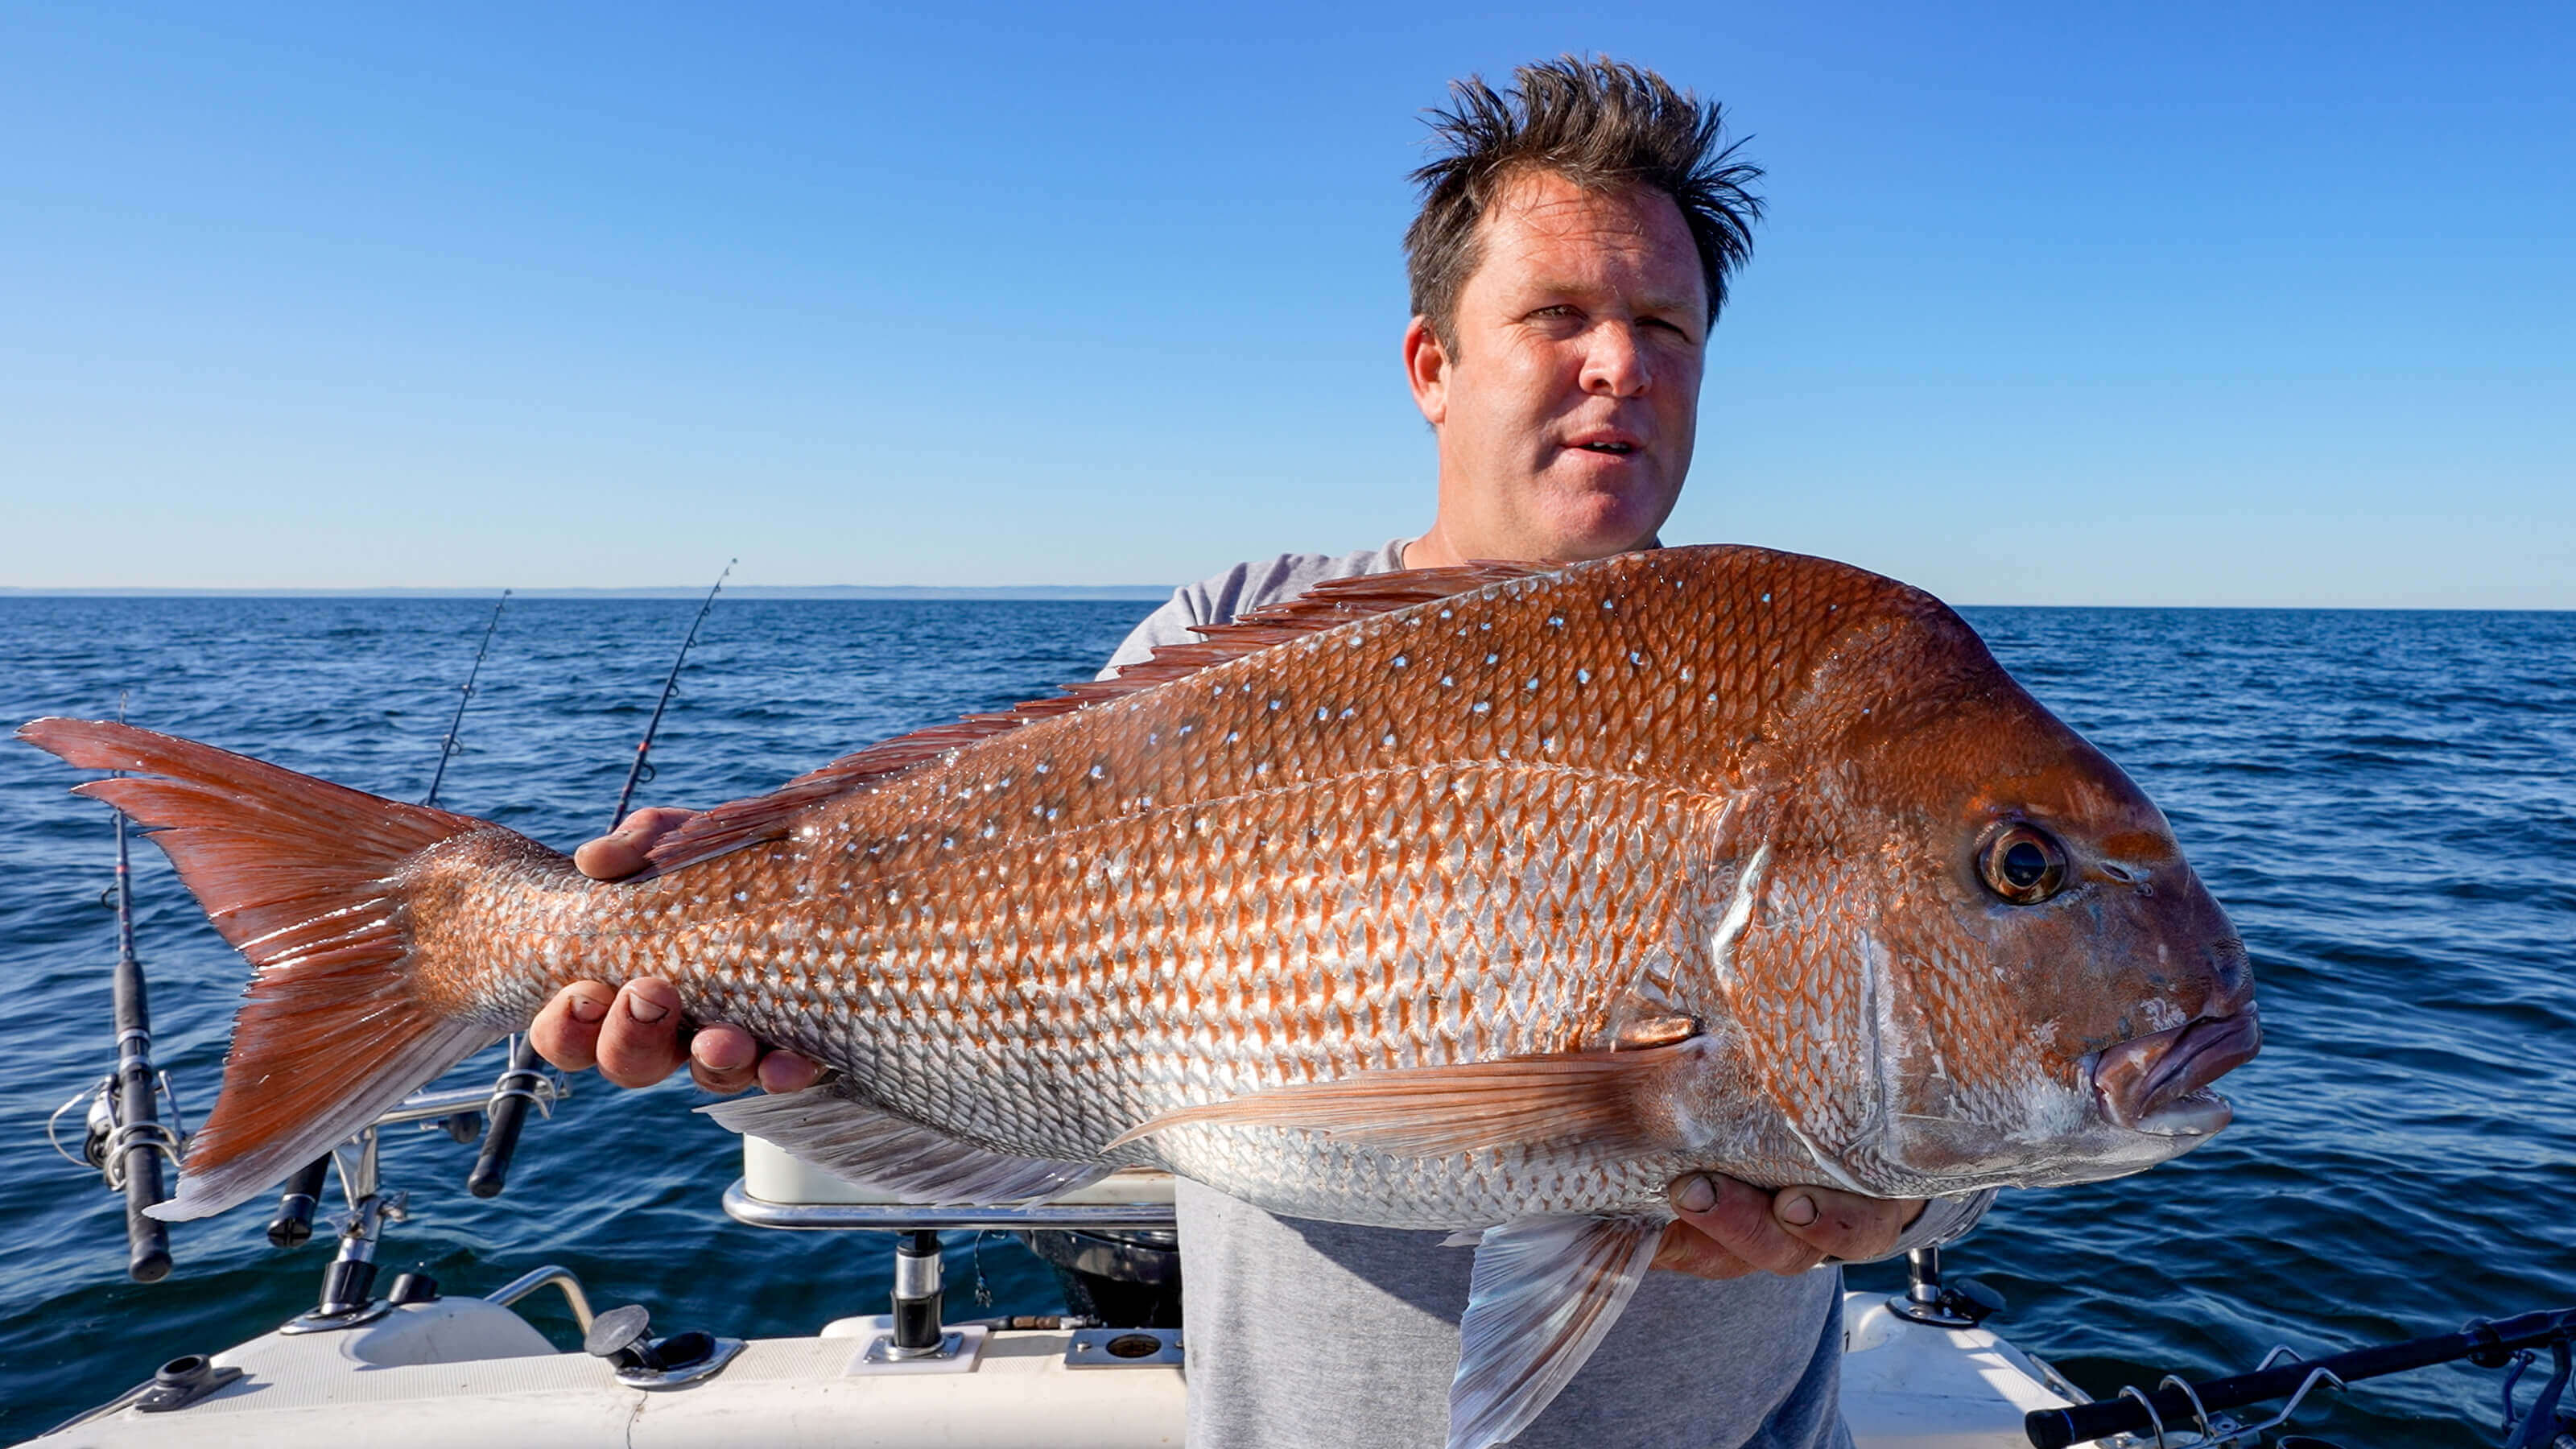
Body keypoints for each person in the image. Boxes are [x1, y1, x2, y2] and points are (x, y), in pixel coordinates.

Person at [531, 57, 1992, 1448]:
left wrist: (1903, 1207)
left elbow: (1953, 1037)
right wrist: (702, 942)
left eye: (1666, 329)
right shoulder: (1236, 632)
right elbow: (968, 920)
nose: (1621, 364)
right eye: (1559, 315)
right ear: (1434, 364)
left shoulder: (1802, 675)